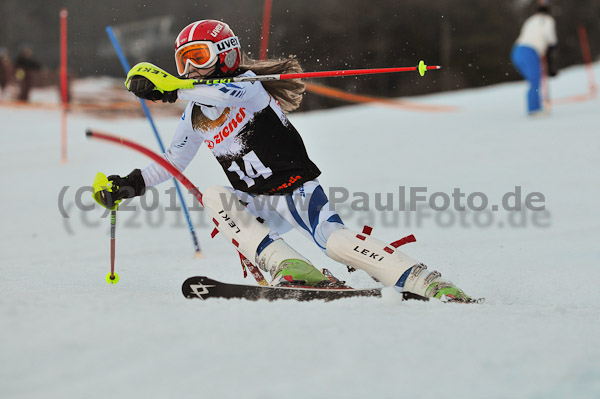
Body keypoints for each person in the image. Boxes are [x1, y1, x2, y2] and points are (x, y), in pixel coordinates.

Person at [96, 19, 472, 302]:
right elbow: (173, 160)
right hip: (258, 201)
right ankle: (292, 267)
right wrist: (130, 184)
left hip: (295, 191)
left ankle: (424, 279)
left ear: (225, 56)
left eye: (199, 57)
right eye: (184, 60)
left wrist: (172, 87)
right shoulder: (194, 113)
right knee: (214, 196)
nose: (191, 68)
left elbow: (223, 94)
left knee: (335, 242)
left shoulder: (245, 87)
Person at [511, 4, 558, 116]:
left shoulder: (531, 20)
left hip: (516, 51)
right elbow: (551, 40)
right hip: (530, 51)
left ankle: (536, 106)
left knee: (534, 81)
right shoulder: (547, 19)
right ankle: (534, 109)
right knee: (535, 80)